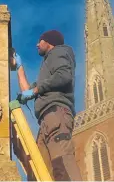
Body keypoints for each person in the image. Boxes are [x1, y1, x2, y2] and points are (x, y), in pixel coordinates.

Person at [13, 30, 83, 181]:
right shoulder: (47, 68)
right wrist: (19, 68)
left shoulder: (58, 53)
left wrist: (36, 90)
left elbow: (64, 76)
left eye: (40, 40)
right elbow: (28, 91)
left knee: (62, 164)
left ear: (49, 41)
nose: (37, 44)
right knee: (40, 171)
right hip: (46, 120)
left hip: (56, 113)